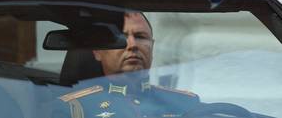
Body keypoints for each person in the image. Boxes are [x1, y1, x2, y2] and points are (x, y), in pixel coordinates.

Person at [55, 12, 200, 118]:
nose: (132, 45)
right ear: (98, 52)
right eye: (120, 38)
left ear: (152, 47)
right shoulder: (73, 109)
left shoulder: (186, 103)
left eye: (140, 37)